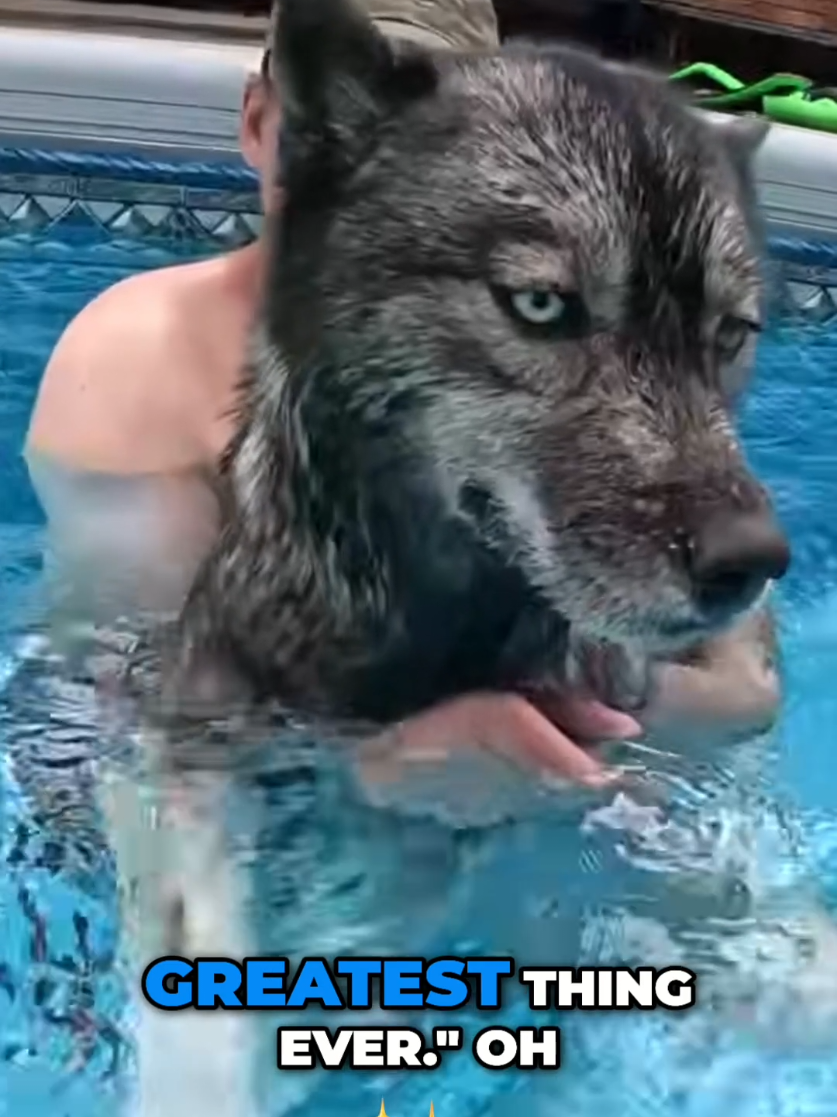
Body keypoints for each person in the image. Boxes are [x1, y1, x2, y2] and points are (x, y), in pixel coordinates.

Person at [25, 0, 780, 792]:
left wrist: (609, 697)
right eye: (333, 128)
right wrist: (391, 760)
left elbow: (742, 691)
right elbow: (122, 723)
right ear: (258, 124)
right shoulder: (134, 360)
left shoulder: (589, 352)